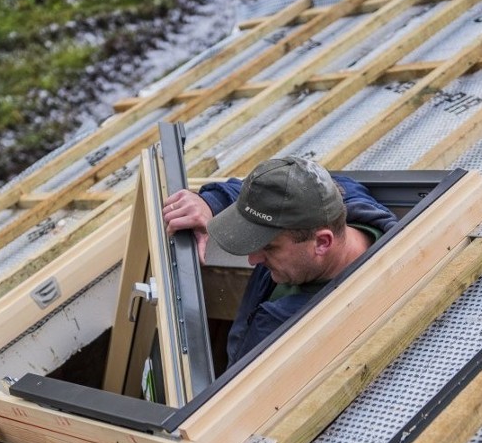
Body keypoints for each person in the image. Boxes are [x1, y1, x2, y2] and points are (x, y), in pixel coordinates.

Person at [162, 156, 398, 367]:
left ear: (322, 243)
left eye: (268, 247)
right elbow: (306, 183)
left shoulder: (326, 327)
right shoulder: (341, 202)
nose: (253, 259)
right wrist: (210, 203)